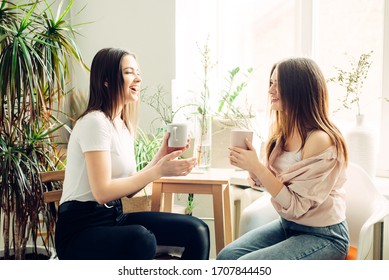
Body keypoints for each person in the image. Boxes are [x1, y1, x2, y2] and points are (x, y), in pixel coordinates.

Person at [55, 47, 210, 260]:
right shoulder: (94, 122)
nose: (138, 78)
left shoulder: (121, 125)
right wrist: (158, 172)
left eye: (137, 72)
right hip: (80, 230)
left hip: (113, 218)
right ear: (107, 80)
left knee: (197, 231)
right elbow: (102, 192)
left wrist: (161, 155)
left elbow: (128, 187)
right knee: (141, 238)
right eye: (129, 72)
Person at [217, 57, 350, 260]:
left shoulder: (320, 140)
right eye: (270, 83)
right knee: (227, 257)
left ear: (299, 89)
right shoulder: (282, 133)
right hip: (288, 225)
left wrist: (258, 167)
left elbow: (296, 206)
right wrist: (250, 165)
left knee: (246, 266)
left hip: (325, 235)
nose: (270, 90)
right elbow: (276, 185)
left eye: (279, 84)